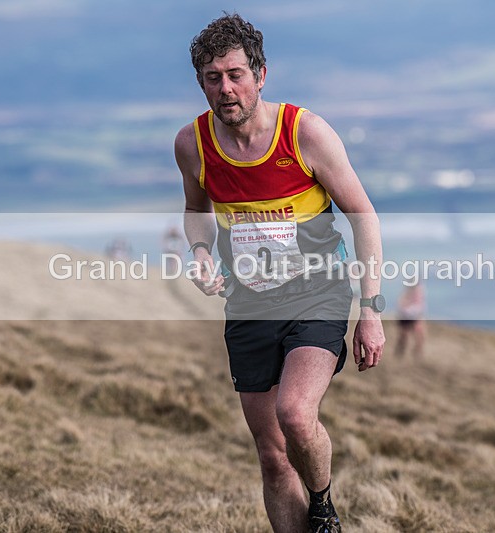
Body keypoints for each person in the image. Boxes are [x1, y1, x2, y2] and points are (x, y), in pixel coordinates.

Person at [174, 14, 385, 532]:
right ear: (201, 83)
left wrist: (371, 311)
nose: (226, 88)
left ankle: (323, 506)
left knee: (294, 414)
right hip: (249, 305)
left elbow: (363, 216)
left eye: (236, 74)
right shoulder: (192, 144)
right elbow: (196, 211)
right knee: (272, 456)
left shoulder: (304, 133)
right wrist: (201, 253)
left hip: (318, 294)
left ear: (261, 75)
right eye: (213, 78)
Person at [395, 281, 426, 358]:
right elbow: (402, 305)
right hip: (407, 316)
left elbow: (420, 305)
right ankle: (401, 351)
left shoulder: (418, 292)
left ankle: (416, 353)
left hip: (414, 316)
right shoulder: (407, 293)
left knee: (419, 336)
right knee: (404, 336)